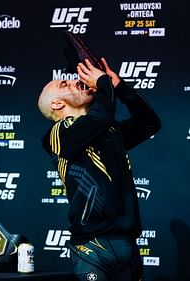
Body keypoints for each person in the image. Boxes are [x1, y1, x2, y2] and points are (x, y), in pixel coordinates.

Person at [38, 58, 161, 281]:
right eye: (64, 85)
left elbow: (149, 123)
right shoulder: (57, 135)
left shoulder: (108, 131)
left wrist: (119, 88)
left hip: (127, 245)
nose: (75, 81)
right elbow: (100, 117)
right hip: (91, 248)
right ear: (57, 104)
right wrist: (103, 82)